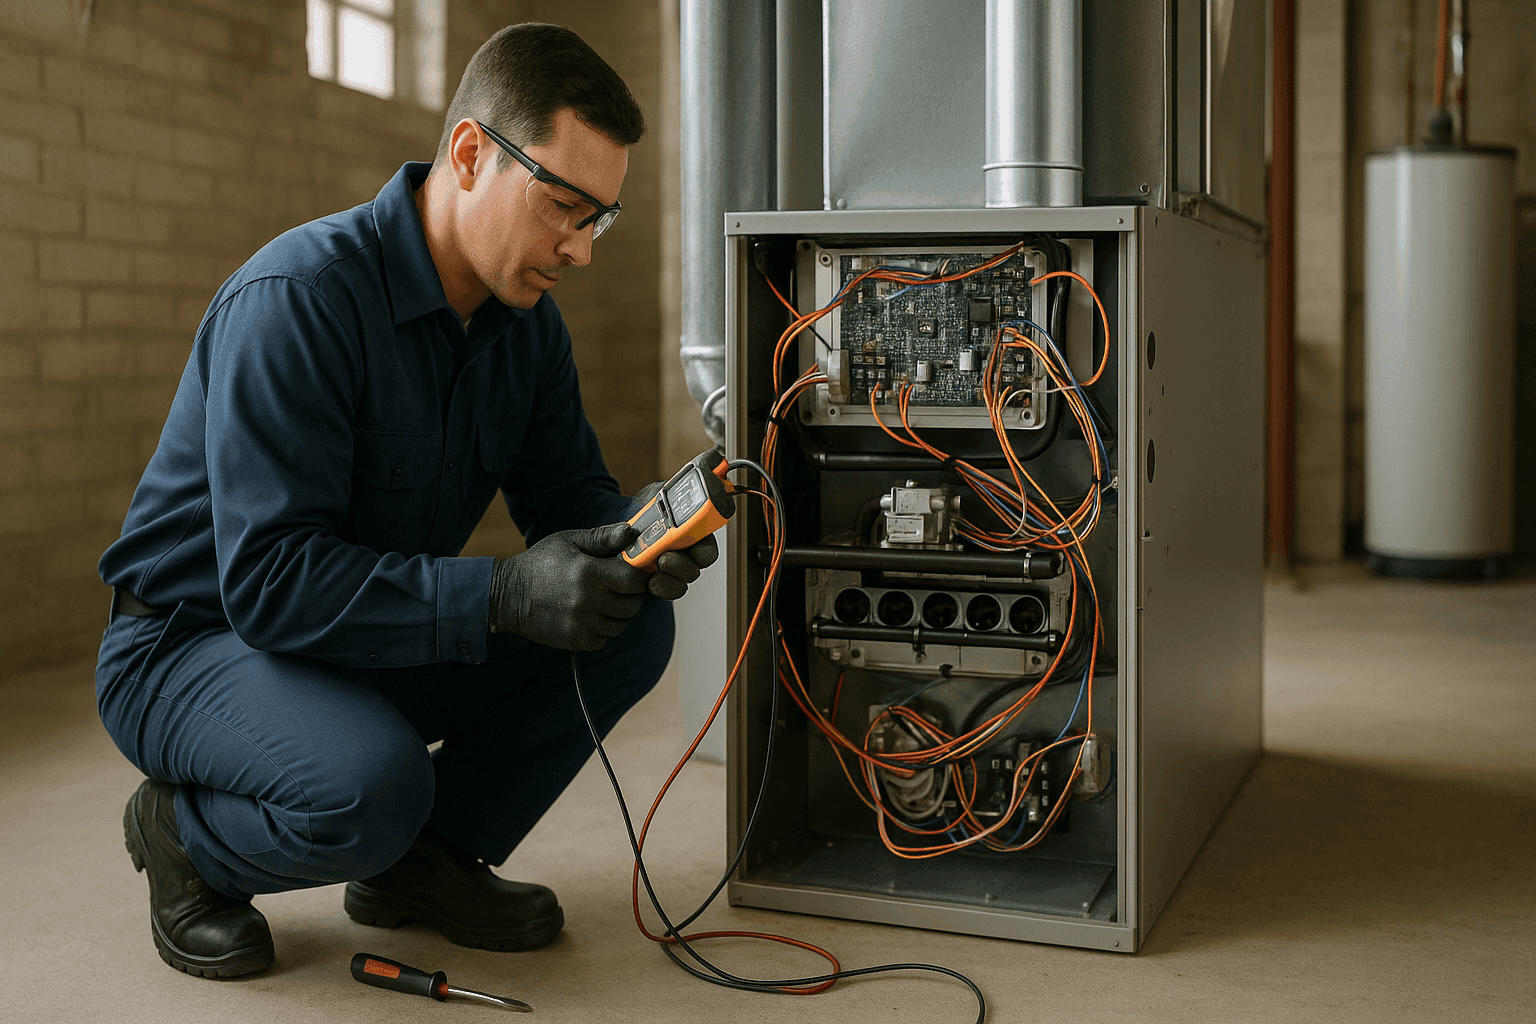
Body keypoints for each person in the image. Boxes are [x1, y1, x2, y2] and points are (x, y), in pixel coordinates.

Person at [94, 23, 713, 979]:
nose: (581, 249)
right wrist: (504, 593)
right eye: (565, 206)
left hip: (347, 636)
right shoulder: (297, 300)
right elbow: (270, 585)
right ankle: (183, 834)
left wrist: (639, 538)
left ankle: (421, 866)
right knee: (369, 788)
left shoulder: (526, 327)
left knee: (623, 628)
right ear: (470, 154)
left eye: (600, 220)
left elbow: (568, 499)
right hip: (193, 641)